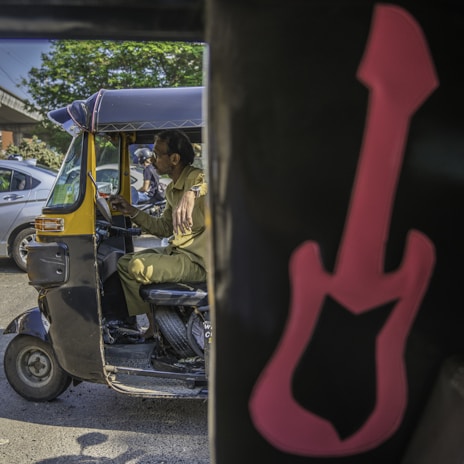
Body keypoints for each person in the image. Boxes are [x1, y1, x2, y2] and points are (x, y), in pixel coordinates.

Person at [109, 129, 208, 338]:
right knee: (125, 263)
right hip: (178, 253)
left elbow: (216, 180)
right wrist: (131, 211)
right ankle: (154, 326)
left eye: (156, 154)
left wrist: (193, 193)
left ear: (174, 158)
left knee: (137, 266)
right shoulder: (172, 189)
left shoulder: (195, 178)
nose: (152, 159)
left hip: (199, 262)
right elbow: (164, 228)